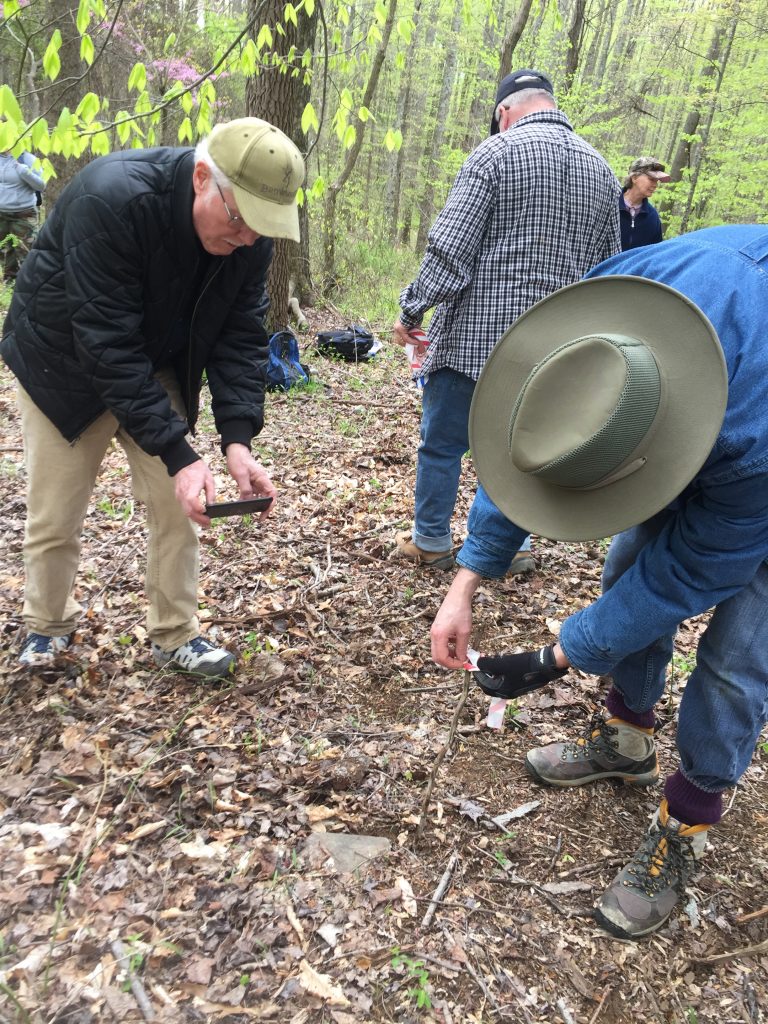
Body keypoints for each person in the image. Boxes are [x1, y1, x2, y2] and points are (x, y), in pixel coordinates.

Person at [430, 224, 768, 939]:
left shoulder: (749, 440)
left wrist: (558, 655)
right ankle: (625, 741)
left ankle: (689, 817)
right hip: (709, 400)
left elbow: (690, 576)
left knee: (740, 655)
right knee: (625, 565)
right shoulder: (610, 312)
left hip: (758, 467)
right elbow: (527, 455)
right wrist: (464, 582)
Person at [1, 118, 305, 678]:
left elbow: (240, 334)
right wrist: (178, 450)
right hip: (61, 362)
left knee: (178, 503)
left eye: (262, 229)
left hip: (154, 358)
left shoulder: (248, 239)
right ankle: (47, 626)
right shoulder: (112, 199)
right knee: (56, 511)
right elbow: (104, 342)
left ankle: (174, 633)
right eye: (239, 220)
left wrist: (237, 439)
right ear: (200, 179)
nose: (247, 239)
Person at [390, 68, 621, 574]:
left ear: (504, 113)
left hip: (475, 343)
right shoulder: (603, 172)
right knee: (520, 454)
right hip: (554, 354)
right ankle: (503, 550)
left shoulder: (495, 153)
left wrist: (412, 308)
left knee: (442, 444)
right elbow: (608, 274)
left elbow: (450, 252)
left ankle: (430, 540)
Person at [0, 149, 45, 281]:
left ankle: (30, 286)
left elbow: (41, 186)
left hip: (23, 214)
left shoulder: (27, 159)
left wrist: (24, 172)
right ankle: (10, 287)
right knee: (5, 254)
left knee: (26, 253)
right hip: (1, 215)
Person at [619, 156, 670, 250]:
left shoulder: (652, 217)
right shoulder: (610, 205)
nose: (655, 185)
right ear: (634, 178)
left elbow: (653, 253)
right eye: (651, 179)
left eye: (657, 181)